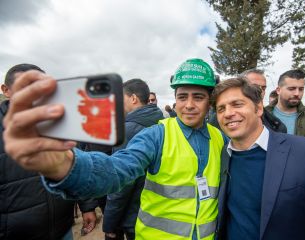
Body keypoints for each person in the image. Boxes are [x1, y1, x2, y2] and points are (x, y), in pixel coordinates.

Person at [3, 58, 228, 240]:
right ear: (176, 99)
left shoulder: (219, 138)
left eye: (198, 97)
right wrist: (65, 164)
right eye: (182, 97)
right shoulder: (157, 134)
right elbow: (117, 169)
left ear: (210, 101)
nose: (188, 104)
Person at [212, 77, 305, 239]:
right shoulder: (220, 156)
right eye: (221, 109)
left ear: (259, 108)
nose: (228, 113)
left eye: (237, 104)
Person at [0, 64, 96, 240]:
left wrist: (87, 206)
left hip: (62, 229)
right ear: (6, 90)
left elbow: (74, 164)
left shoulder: (58, 126)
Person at [103, 78, 164, 240]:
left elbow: (120, 183)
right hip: (158, 212)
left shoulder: (128, 130)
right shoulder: (163, 123)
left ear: (133, 98)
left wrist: (110, 223)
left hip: (134, 217)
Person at [240, 69, 287, 133]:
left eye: (263, 88)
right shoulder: (227, 117)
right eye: (254, 86)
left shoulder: (276, 125)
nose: (261, 91)